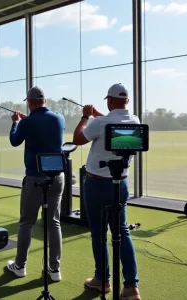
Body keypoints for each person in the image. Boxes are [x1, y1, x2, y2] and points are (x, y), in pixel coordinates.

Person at [72, 83, 141, 300]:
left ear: (110, 100)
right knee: (122, 232)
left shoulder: (101, 122)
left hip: (97, 184)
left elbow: (77, 139)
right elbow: (114, 122)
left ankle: (102, 279)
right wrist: (98, 115)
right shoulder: (134, 121)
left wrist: (85, 117)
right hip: (121, 184)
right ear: (127, 101)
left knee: (99, 235)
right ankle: (131, 287)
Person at [6, 86, 65, 282]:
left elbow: (15, 141)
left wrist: (17, 123)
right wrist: (27, 121)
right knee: (53, 223)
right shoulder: (59, 118)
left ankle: (20, 266)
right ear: (45, 100)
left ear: (29, 103)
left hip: (34, 178)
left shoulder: (26, 122)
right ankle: (54, 270)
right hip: (57, 177)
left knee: (26, 223)